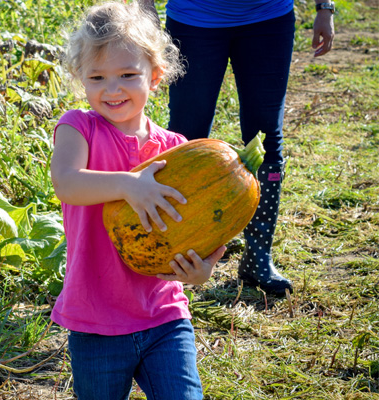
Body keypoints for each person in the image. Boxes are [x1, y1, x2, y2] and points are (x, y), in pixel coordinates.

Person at [50, 2, 226, 399]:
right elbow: (67, 183)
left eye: (128, 75)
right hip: (95, 321)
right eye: (97, 77)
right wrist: (130, 185)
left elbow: (203, 225)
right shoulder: (77, 128)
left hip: (165, 314)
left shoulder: (177, 150)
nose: (112, 89)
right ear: (82, 78)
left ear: (156, 76)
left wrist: (202, 271)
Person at [142, 0, 335, 295]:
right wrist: (146, 10)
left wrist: (325, 7)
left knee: (265, 139)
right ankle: (175, 257)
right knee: (185, 139)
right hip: (194, 21)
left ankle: (258, 259)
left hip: (269, 19)